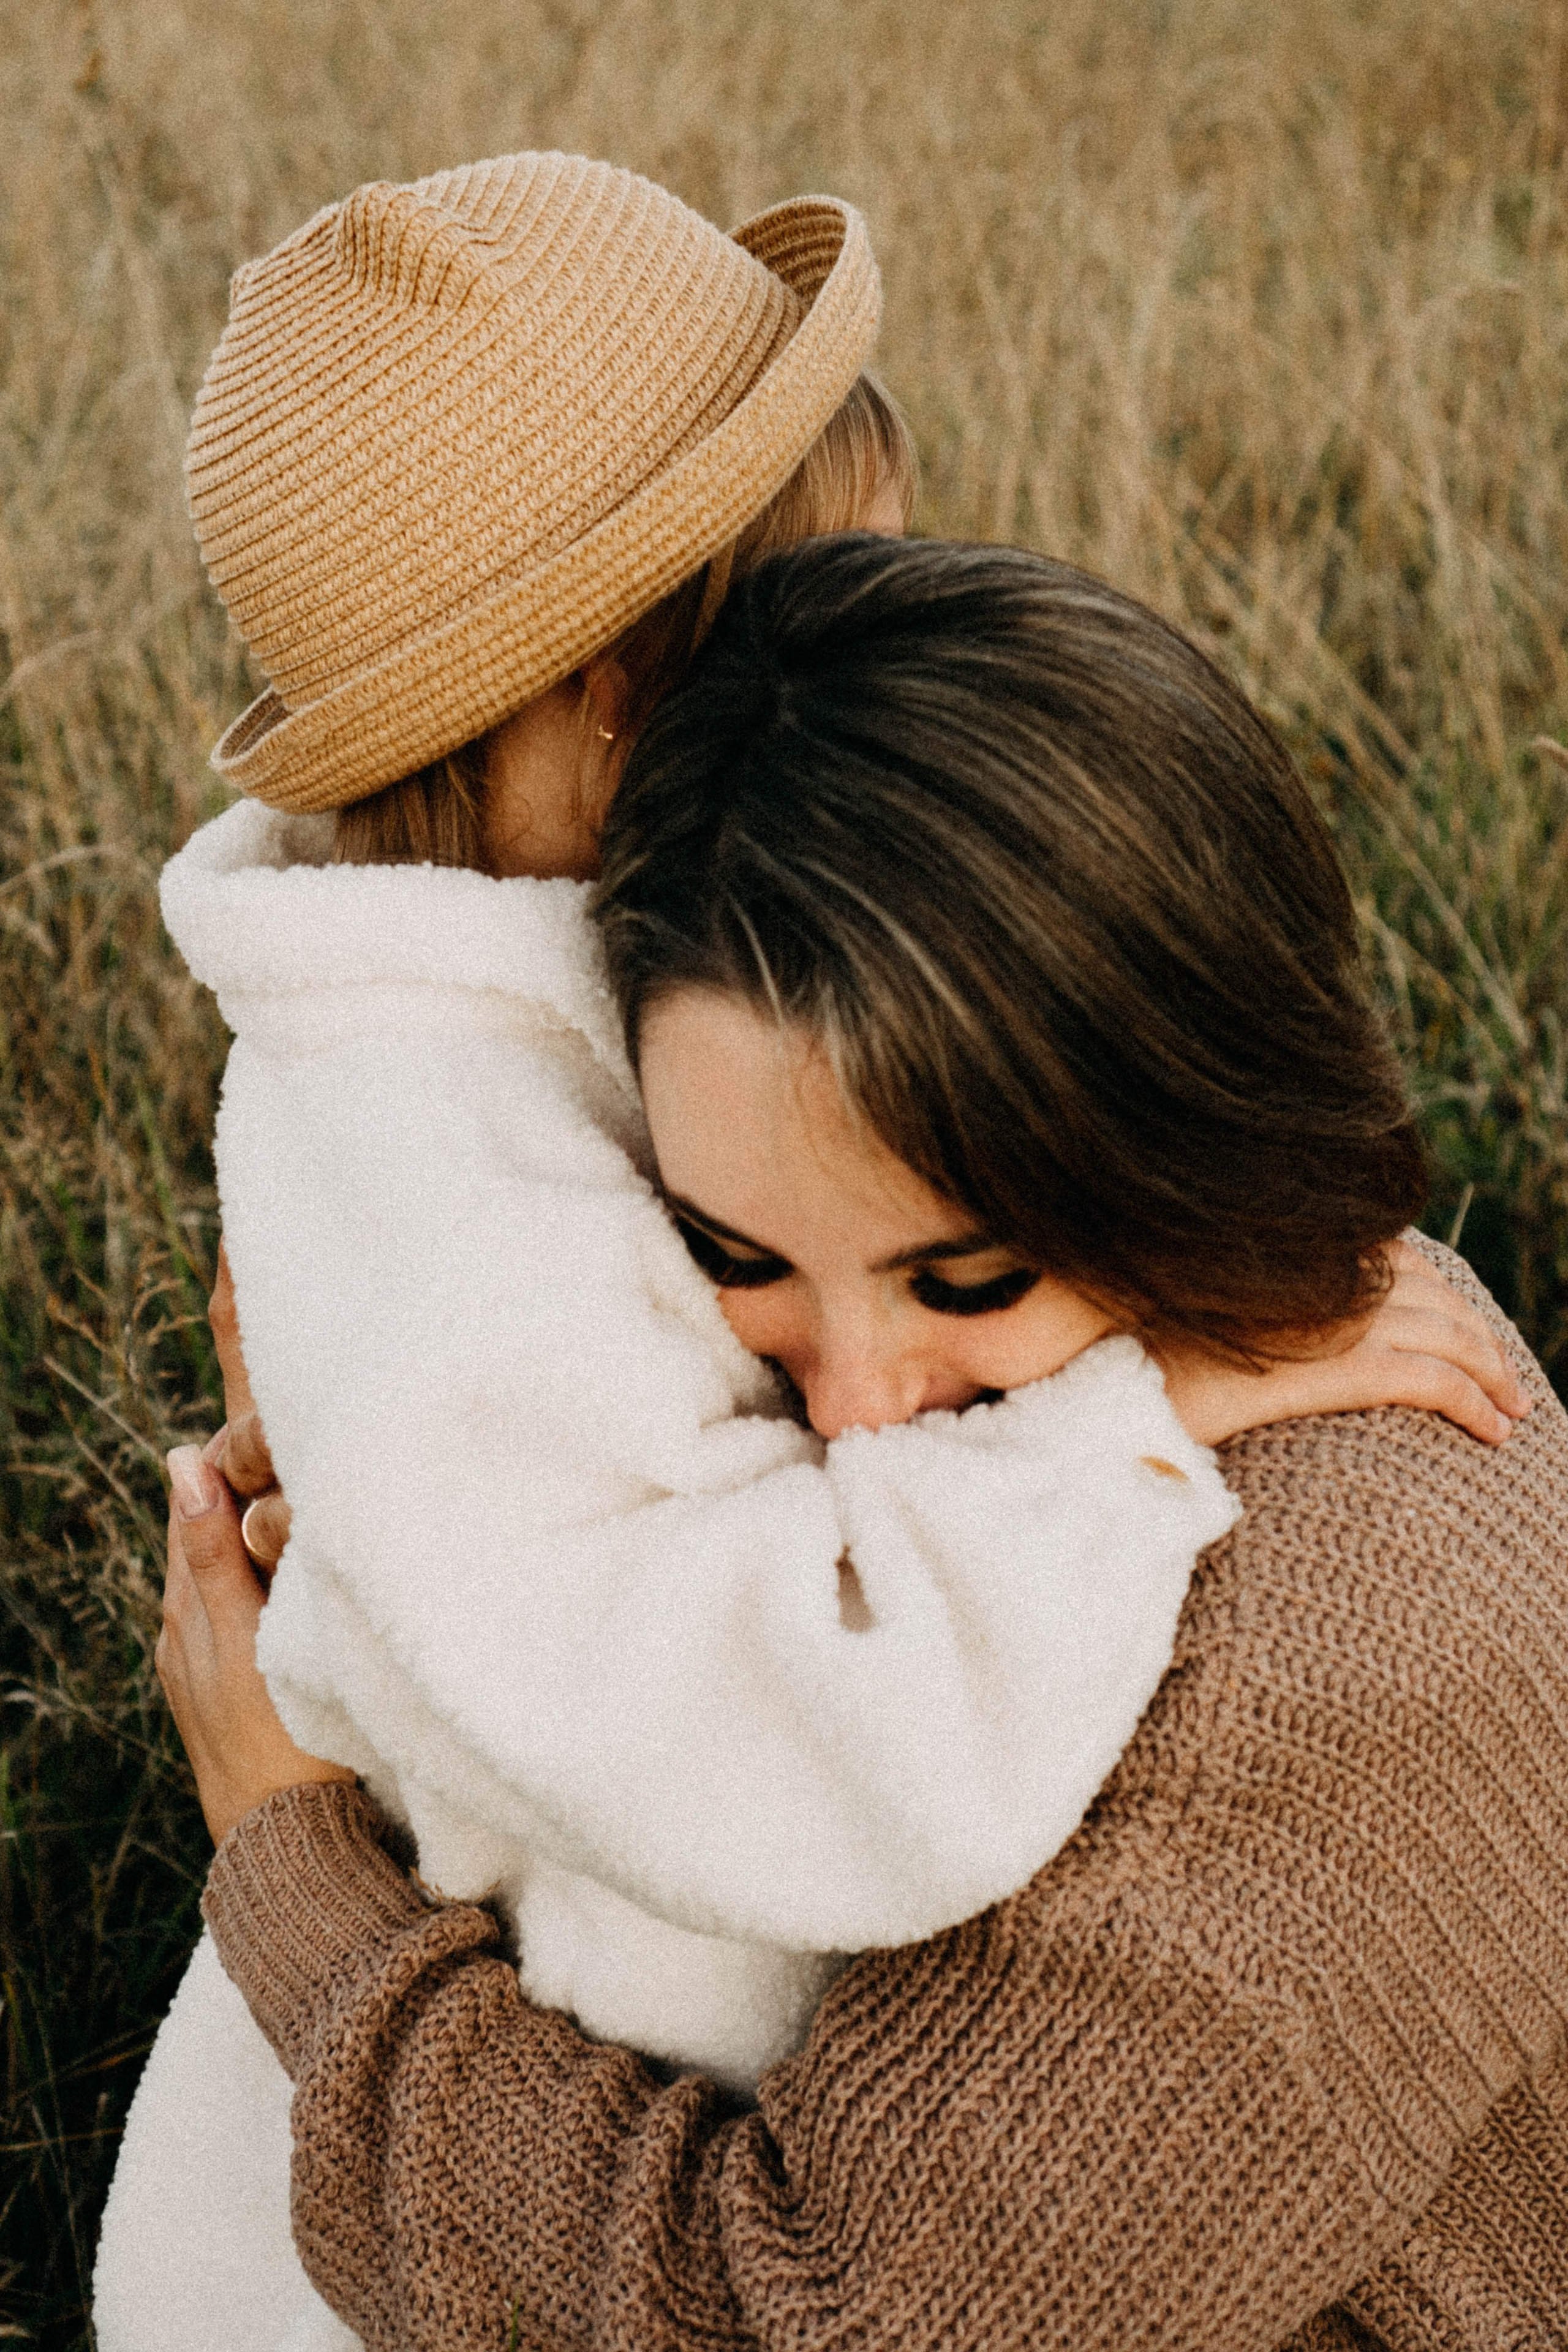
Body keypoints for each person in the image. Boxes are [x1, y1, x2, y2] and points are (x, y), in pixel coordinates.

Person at [100, 154, 1507, 2352]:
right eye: (820, 599)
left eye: (963, 1273)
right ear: (637, 698)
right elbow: (762, 1723)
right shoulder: (445, 1159)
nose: (888, 643)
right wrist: (1123, 1416)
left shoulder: (1345, 1638)